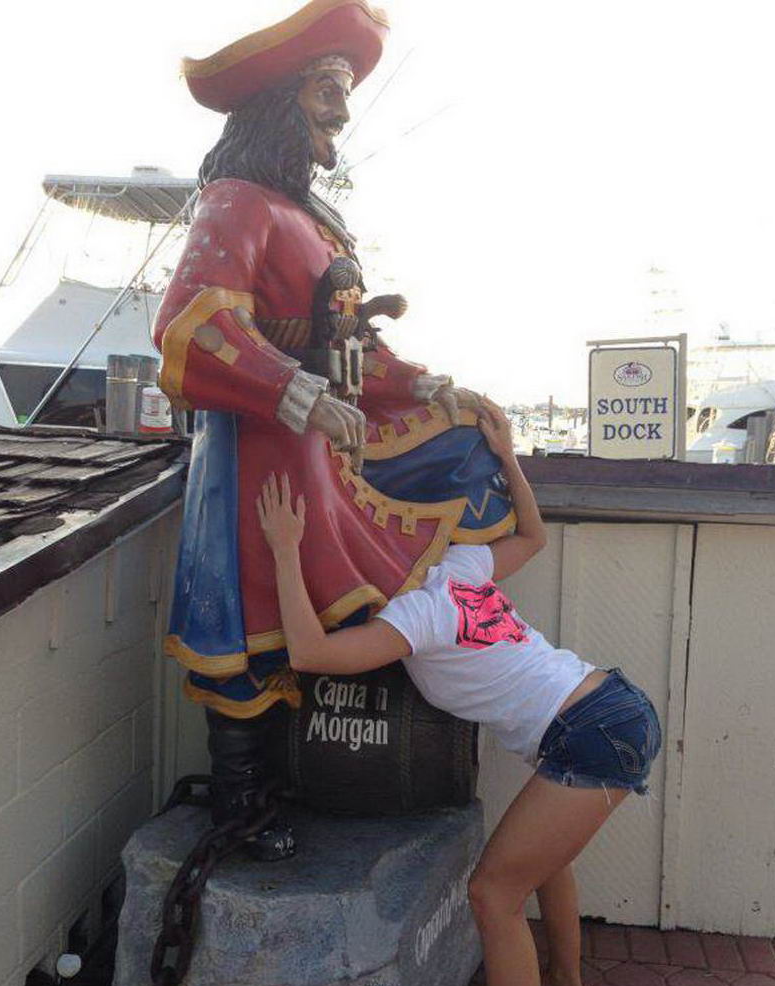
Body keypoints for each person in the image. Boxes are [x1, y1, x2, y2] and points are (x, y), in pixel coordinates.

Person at [153, 0, 511, 850]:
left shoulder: (313, 221)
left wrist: (427, 384)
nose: (341, 111)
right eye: (325, 88)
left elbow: (348, 347)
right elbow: (189, 322)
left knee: (462, 453)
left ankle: (280, 784)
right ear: (279, 98)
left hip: (321, 448)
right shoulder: (235, 201)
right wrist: (292, 390)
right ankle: (242, 804)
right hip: (256, 451)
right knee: (248, 622)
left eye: (342, 91)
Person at [255, 397, 662, 986]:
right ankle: (566, 984)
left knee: (492, 894)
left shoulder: (420, 612)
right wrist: (508, 458)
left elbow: (309, 654)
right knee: (545, 861)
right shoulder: (461, 569)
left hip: (587, 729)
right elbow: (533, 537)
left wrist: (284, 550)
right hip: (609, 704)